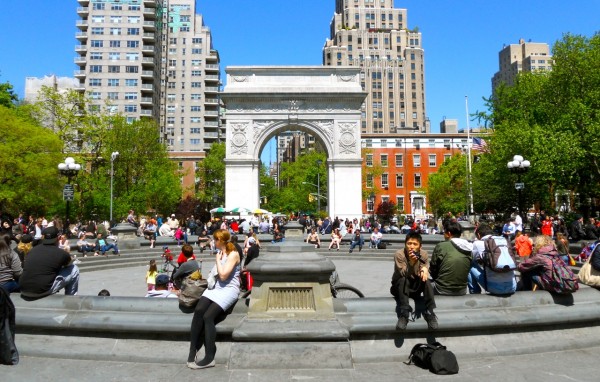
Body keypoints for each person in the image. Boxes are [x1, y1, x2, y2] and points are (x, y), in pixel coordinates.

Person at [187, 229, 240, 369]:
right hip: (216, 289)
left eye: (215, 239)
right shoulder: (221, 252)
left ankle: (210, 357)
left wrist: (217, 260)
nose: (213, 242)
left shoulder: (233, 254)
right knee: (198, 310)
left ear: (221, 240)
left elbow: (223, 276)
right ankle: (193, 350)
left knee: (208, 317)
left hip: (229, 290)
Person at [390, 231, 438, 330]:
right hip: (399, 287)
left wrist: (424, 270)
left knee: (427, 281)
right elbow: (403, 273)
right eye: (409, 243)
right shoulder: (399, 254)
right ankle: (404, 314)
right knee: (404, 280)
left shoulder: (423, 254)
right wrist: (411, 262)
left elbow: (424, 267)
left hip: (414, 286)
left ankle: (430, 312)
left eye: (415, 244)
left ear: (420, 246)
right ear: (405, 244)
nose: (411, 246)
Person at [18, 226, 80, 299]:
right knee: (74, 269)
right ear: (59, 238)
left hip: (23, 288)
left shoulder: (32, 250)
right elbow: (69, 264)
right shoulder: (61, 253)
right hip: (42, 290)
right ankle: (71, 299)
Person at [468, 223, 517, 295]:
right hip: (512, 286)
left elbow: (472, 258)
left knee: (470, 265)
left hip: (495, 287)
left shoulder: (478, 243)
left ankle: (475, 293)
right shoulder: (504, 240)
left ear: (478, 235)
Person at [429, 220, 473, 295]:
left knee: (424, 283)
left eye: (444, 232)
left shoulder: (442, 246)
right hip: (462, 290)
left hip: (441, 288)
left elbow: (433, 268)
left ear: (448, 233)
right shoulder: (469, 247)